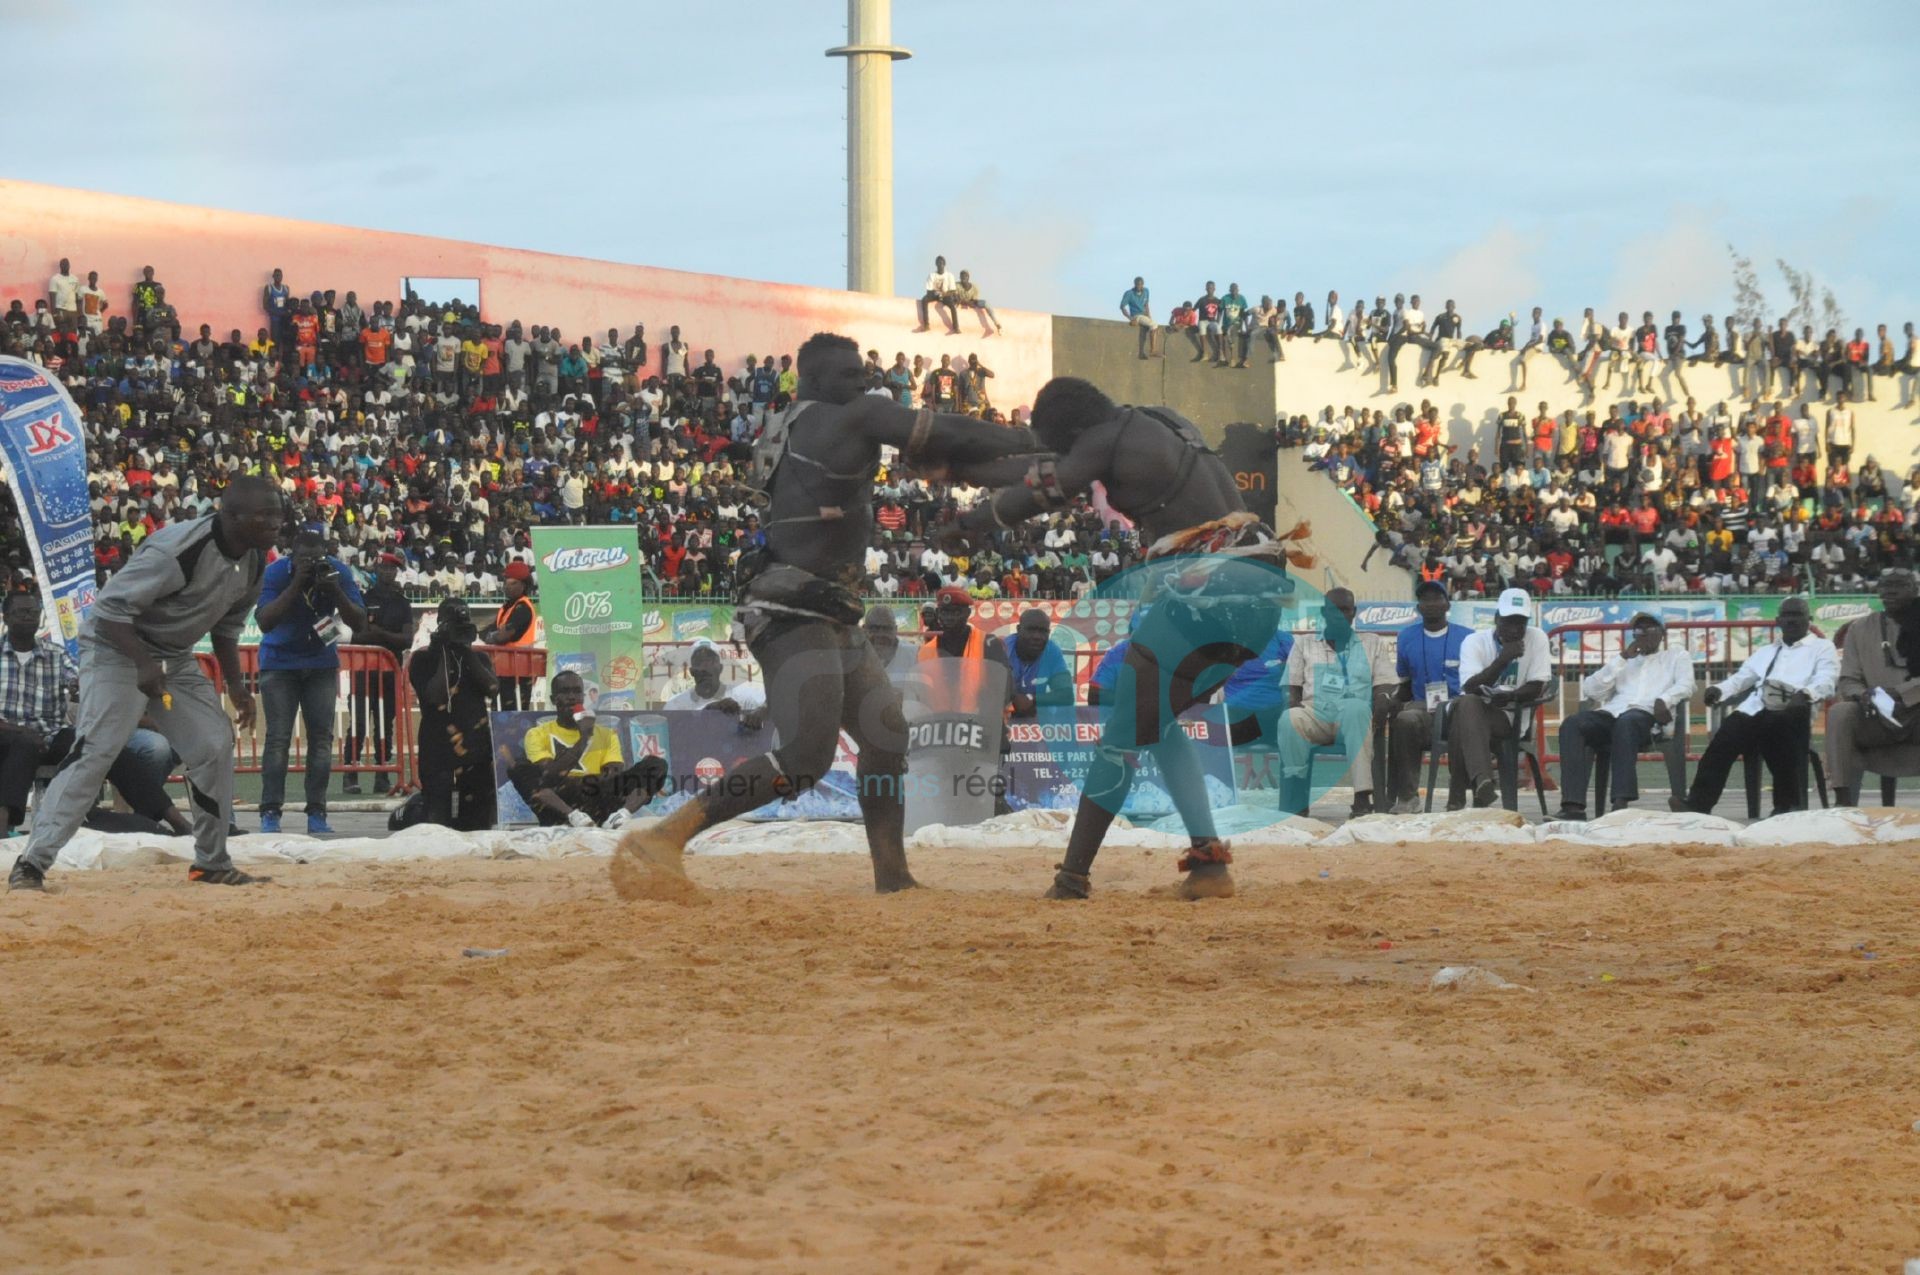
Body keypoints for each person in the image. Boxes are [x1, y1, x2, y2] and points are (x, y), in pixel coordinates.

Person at [610, 332, 1034, 897]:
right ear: (811, 380)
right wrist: (1031, 440)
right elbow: (945, 432)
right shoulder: (848, 419)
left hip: (828, 608)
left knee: (886, 737)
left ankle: (893, 874)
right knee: (806, 758)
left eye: (862, 374)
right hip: (791, 610)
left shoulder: (796, 424)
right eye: (847, 375)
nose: (861, 383)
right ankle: (666, 836)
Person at [948, 377, 1304, 900]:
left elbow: (1044, 488)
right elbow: (1034, 463)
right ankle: (1207, 864)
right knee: (1155, 724)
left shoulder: (1104, 438)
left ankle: (1073, 878)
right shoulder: (1161, 420)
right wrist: (957, 466)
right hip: (1258, 597)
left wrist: (970, 520)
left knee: (1120, 737)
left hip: (1210, 597)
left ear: (1073, 431)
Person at [10, 477, 280, 891]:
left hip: (172, 655)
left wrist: (237, 686)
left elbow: (227, 628)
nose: (275, 522)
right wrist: (142, 664)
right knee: (96, 750)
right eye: (265, 514)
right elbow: (109, 612)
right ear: (231, 516)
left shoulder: (257, 559)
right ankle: (32, 863)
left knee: (212, 743)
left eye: (277, 512)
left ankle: (211, 861)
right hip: (116, 647)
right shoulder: (178, 551)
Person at [1670, 596, 1834, 817]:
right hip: (1755, 709)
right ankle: (1698, 804)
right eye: (1787, 615)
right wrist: (1720, 690)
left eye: (1797, 615)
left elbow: (1827, 679)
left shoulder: (1822, 647)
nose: (1791, 620)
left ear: (1809, 619)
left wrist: (1805, 694)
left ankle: (1786, 806)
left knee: (1779, 731)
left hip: (1794, 711)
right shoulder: (1766, 651)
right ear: (1778, 620)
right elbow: (1742, 678)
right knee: (1723, 740)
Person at [254, 525, 365, 835]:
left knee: (321, 740)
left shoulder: (337, 571)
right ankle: (270, 812)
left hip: (320, 662)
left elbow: (359, 621)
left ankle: (317, 812)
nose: (311, 564)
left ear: (325, 555)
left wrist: (335, 591)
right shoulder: (277, 573)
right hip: (280, 662)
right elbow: (264, 621)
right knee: (277, 739)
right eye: (304, 559)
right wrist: (297, 583)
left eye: (316, 558)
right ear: (293, 555)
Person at [1553, 613, 1695, 820]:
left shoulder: (1676, 656)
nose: (1643, 634)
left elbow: (1686, 685)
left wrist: (1664, 699)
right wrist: (1621, 659)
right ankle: (1573, 807)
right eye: (1638, 631)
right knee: (1573, 724)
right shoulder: (1625, 661)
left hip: (1647, 717)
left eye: (1649, 629)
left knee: (1627, 721)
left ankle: (1620, 802)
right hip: (1613, 714)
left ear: (1662, 634)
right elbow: (1591, 690)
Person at [1281, 588, 1396, 817]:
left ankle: (1362, 798)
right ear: (1324, 612)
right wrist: (1292, 705)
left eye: (1346, 610)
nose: (1340, 615)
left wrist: (1382, 699)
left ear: (1354, 613)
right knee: (1289, 718)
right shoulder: (1304, 643)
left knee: (1356, 708)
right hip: (1315, 714)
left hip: (1353, 717)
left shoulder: (1372, 642)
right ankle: (1296, 795)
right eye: (1334, 610)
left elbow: (1385, 682)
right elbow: (1291, 686)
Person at [509, 670, 664, 829]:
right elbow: (549, 774)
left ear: (583, 697)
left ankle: (619, 817)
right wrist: (584, 738)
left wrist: (584, 782)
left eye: (577, 691)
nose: (572, 697)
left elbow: (613, 775)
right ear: (553, 699)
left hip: (597, 795)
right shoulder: (536, 734)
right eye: (565, 692)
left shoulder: (607, 734)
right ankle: (573, 817)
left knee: (655, 765)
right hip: (561, 800)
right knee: (519, 768)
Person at [1449, 587, 1553, 809]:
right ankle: (1482, 781)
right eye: (1508, 622)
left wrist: (1509, 696)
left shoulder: (1538, 638)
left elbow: (1537, 686)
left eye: (1521, 623)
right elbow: (1469, 687)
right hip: (1477, 710)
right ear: (1496, 619)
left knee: (1462, 716)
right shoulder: (1474, 641)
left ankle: (1462, 797)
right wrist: (1502, 660)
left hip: (1510, 717)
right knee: (1467, 705)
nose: (1515, 629)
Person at [1826, 569, 1920, 806]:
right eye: (1885, 586)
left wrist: (1900, 693)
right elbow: (1848, 679)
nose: (1890, 591)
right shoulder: (1859, 628)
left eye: (1899, 585)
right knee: (1840, 713)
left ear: (1915, 590)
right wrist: (1862, 694)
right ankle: (1843, 800)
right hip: (1876, 716)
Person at [407, 598, 498, 830]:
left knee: (478, 819)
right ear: (439, 624)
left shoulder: (479, 658)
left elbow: (492, 689)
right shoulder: (423, 659)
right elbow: (434, 697)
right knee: (437, 818)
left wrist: (466, 652)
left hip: (475, 745)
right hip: (437, 746)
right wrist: (445, 652)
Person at [1387, 580, 1474, 814]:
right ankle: (1408, 798)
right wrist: (1393, 701)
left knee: (1464, 717)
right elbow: (1404, 685)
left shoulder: (1467, 638)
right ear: (1418, 607)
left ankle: (1457, 798)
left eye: (1437, 598)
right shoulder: (1406, 637)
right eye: (1425, 599)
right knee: (1404, 720)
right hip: (1422, 710)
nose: (1431, 603)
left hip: (1457, 708)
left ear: (1447, 604)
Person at [0, 592, 75, 839]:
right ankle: (3, 825)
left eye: (33, 612)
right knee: (23, 744)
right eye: (22, 612)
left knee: (87, 742)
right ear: (6, 617)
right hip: (5, 735)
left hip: (48, 737)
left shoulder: (56, 653)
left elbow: (78, 678)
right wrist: (21, 731)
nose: (29, 617)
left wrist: (78, 686)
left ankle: (85, 818)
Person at [345, 552, 413, 794]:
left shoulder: (402, 602)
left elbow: (407, 639)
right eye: (383, 568)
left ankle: (382, 774)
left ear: (396, 572)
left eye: (391, 569)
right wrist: (384, 636)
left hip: (389, 671)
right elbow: (357, 635)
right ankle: (350, 774)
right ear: (377, 570)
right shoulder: (363, 599)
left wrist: (378, 633)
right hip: (363, 671)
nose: (387, 572)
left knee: (385, 724)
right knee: (359, 723)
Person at [481, 561, 538, 709]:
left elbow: (502, 636)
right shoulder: (507, 607)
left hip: (518, 672)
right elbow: (488, 631)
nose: (507, 586)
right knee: (498, 710)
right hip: (504, 670)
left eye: (513, 583)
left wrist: (491, 636)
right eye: (506, 582)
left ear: (523, 585)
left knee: (514, 714)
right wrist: (492, 634)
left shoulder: (523, 607)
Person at [663, 639, 767, 719]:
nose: (704, 668)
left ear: (720, 668)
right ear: (692, 672)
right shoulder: (675, 705)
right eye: (699, 662)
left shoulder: (743, 695)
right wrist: (708, 711)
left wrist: (760, 712)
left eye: (710, 661)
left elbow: (772, 706)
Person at [1002, 607, 1074, 720]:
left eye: (1043, 631)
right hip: (1002, 718)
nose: (1037, 637)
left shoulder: (1052, 651)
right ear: (1019, 629)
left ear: (1049, 633)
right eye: (1031, 630)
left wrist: (1032, 699)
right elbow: (990, 689)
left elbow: (1066, 695)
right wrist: (1014, 698)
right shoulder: (1004, 649)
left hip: (1034, 718)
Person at [914, 256, 958, 334]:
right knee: (924, 300)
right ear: (936, 264)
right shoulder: (932, 275)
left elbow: (953, 291)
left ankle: (956, 327)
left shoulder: (949, 275)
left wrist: (943, 294)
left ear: (944, 264)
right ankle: (926, 325)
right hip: (933, 294)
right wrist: (936, 294)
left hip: (945, 294)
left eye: (941, 263)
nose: (940, 265)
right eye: (938, 263)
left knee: (952, 305)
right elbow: (929, 290)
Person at [1120, 276, 1156, 358]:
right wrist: (1131, 318)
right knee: (1154, 325)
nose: (1139, 286)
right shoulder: (1129, 293)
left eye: (1141, 284)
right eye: (1138, 285)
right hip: (1136, 315)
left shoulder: (1146, 291)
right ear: (1135, 284)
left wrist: (1149, 316)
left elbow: (1146, 304)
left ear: (1143, 284)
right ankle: (1152, 351)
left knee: (1145, 330)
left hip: (1144, 315)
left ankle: (1141, 353)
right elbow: (1122, 307)